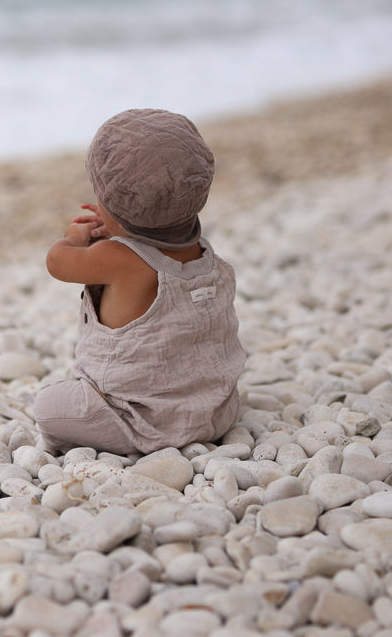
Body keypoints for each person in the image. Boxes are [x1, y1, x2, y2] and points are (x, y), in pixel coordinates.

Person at [33, 108, 245, 455]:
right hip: (217, 411)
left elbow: (57, 262)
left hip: (140, 422)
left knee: (48, 405)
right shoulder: (201, 251)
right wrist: (119, 228)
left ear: (117, 209)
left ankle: (97, 441)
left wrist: (74, 236)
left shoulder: (119, 260)